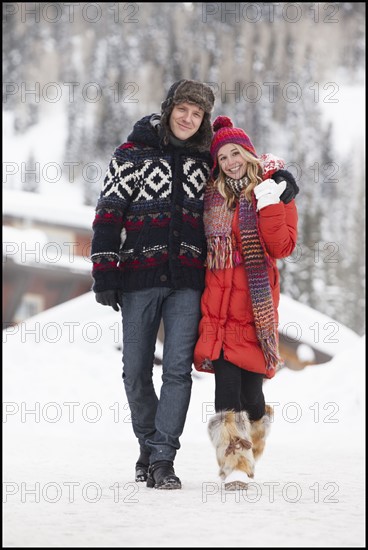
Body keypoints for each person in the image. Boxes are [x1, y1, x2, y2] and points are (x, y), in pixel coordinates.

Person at [90, 80, 216, 490]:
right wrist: (104, 271)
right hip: (138, 277)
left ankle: (163, 458)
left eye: (197, 114)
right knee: (135, 371)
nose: (188, 118)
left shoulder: (206, 159)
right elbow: (109, 213)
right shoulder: (132, 153)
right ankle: (148, 444)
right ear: (168, 109)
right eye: (183, 109)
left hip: (188, 281)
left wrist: (278, 176)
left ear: (203, 121)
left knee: (177, 371)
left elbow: (243, 167)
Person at [193, 116, 299, 490]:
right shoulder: (211, 197)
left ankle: (251, 442)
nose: (230, 162)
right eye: (222, 157)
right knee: (226, 392)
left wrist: (271, 198)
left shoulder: (274, 190)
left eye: (235, 152)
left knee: (252, 397)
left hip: (254, 310)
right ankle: (235, 465)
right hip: (218, 307)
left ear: (248, 154)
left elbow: (281, 246)